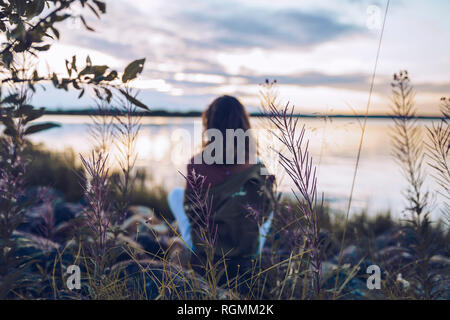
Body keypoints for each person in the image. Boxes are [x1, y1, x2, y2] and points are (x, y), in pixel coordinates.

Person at [183, 95, 274, 281]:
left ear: (210, 126)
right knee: (266, 196)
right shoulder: (258, 166)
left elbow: (191, 212)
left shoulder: (196, 164)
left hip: (206, 251)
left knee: (176, 196)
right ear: (244, 127)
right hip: (246, 252)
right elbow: (266, 211)